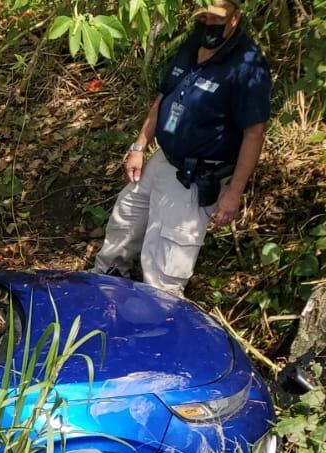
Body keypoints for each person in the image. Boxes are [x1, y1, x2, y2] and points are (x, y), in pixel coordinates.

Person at [91, 0, 272, 296]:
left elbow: (255, 132)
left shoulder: (246, 65)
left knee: (165, 264)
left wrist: (234, 193)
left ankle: (161, 316)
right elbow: (163, 98)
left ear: (235, 18)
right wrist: (139, 146)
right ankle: (107, 285)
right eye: (203, 15)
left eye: (217, 18)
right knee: (125, 219)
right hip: (164, 158)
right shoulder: (191, 45)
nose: (208, 23)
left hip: (197, 174)